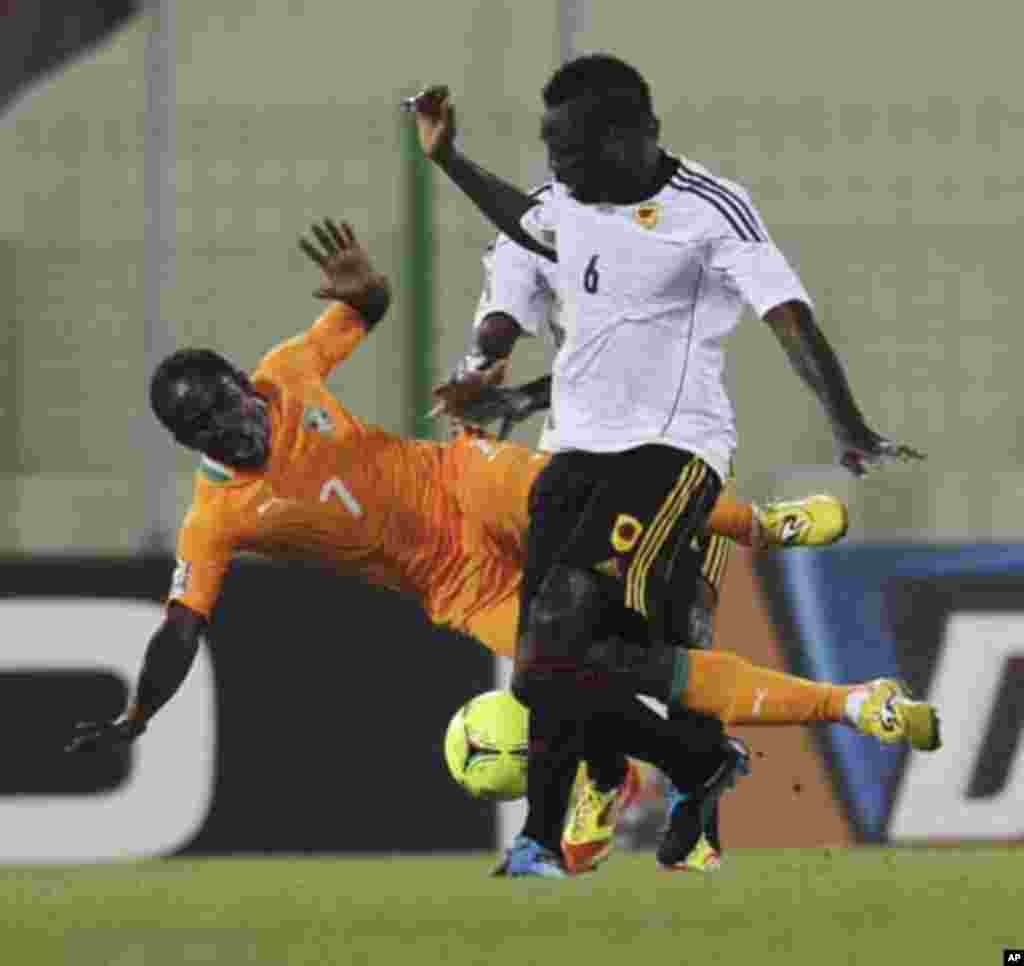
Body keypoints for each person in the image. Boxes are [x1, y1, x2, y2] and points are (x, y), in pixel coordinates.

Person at [65, 219, 937, 877]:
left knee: (591, 480)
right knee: (618, 671)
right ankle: (837, 709)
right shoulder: (215, 518)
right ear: (193, 439)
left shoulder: (286, 371)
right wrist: (138, 715)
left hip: (458, 479)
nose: (242, 419)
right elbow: (183, 625)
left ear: (240, 381)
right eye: (217, 423)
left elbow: (360, 309)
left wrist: (363, 287)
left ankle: (760, 526)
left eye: (236, 400)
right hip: (456, 584)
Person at [409, 53, 926, 877]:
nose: (559, 170)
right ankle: (560, 828)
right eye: (551, 152)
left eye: (573, 153)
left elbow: (788, 317)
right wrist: (448, 161)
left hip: (671, 452)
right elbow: (522, 229)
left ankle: (693, 751)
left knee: (583, 627)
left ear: (633, 138)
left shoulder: (708, 210)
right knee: (548, 663)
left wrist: (847, 422)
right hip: (570, 451)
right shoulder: (564, 202)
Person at [431, 224, 847, 874]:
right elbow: (549, 363)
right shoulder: (536, 262)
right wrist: (498, 391)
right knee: (566, 647)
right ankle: (602, 776)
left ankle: (697, 825)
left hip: (679, 467)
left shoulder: (653, 265)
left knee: (689, 636)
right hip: (580, 478)